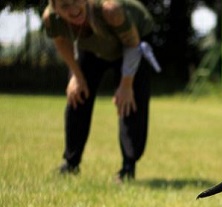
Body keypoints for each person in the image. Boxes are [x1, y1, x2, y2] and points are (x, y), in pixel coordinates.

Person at [43, 0, 158, 182]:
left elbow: (132, 43)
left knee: (129, 101)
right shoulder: (51, 18)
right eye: (65, 6)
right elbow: (61, 41)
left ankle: (128, 167)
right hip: (91, 47)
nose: (73, 11)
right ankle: (71, 163)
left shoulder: (110, 9)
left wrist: (126, 85)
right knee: (77, 95)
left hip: (133, 42)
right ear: (55, 8)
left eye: (75, 2)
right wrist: (76, 75)